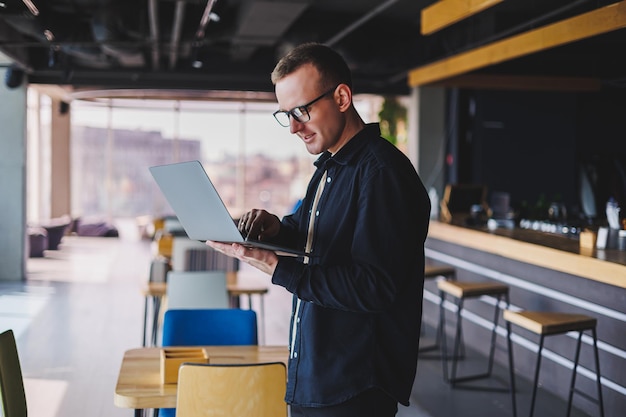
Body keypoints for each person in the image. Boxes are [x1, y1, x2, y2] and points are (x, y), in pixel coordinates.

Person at [208, 42, 431, 417]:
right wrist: (276, 230)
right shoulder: (330, 167)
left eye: (302, 111)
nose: (294, 127)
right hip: (317, 373)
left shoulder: (382, 174)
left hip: (354, 385)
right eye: (286, 115)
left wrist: (279, 269)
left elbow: (373, 287)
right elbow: (316, 236)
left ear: (342, 97)